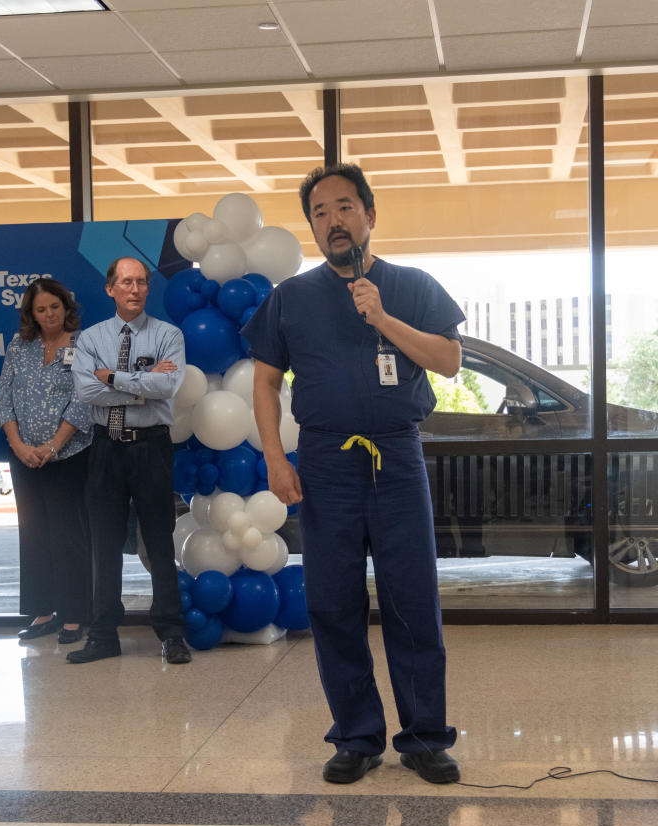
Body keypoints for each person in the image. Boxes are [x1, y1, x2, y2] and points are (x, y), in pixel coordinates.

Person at [242, 164, 464, 785]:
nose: (333, 220)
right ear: (312, 227)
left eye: (344, 207)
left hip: (396, 459)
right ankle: (357, 736)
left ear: (370, 214)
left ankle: (424, 737)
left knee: (412, 599)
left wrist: (384, 319)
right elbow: (264, 382)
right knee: (333, 603)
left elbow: (448, 361)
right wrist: (275, 458)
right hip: (324, 464)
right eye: (319, 212)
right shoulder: (289, 298)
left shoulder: (413, 285)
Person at [70, 257, 192, 665]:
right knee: (103, 544)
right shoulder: (90, 339)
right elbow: (86, 393)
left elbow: (169, 384)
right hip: (106, 449)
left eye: (141, 282)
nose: (135, 289)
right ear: (111, 289)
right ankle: (103, 634)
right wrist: (143, 387)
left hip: (150, 447)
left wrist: (112, 378)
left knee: (159, 542)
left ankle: (171, 634)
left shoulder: (167, 334)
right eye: (126, 282)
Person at [0, 278, 93, 645]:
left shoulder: (83, 344)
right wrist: (19, 446)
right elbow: (4, 395)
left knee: (69, 535)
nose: (49, 314)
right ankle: (43, 611)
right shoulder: (20, 346)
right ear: (31, 314)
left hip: (69, 455)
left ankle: (74, 614)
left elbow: (85, 398)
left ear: (65, 308)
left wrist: (53, 446)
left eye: (55, 306)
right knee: (34, 533)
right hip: (23, 457)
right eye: (41, 309)